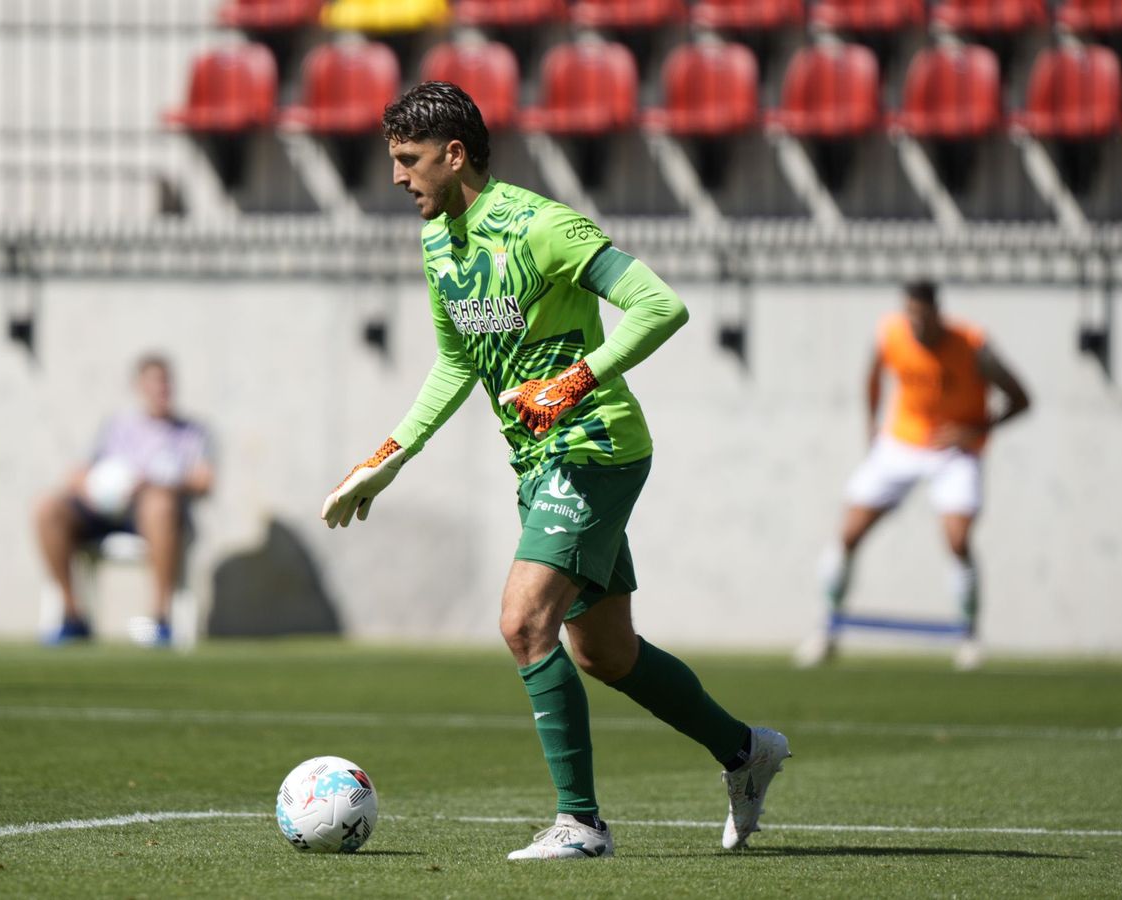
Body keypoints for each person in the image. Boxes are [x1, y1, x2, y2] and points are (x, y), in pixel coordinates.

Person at [321, 82, 790, 860]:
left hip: (594, 447)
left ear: (454, 154)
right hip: (539, 462)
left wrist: (574, 381)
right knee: (605, 653)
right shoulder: (438, 243)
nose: (397, 177)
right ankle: (746, 751)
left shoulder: (543, 226)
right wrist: (388, 457)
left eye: (408, 159)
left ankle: (581, 824)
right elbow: (456, 363)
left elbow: (659, 306)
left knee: (523, 623)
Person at [798, 281, 1031, 671]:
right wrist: (872, 428)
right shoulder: (890, 334)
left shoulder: (972, 345)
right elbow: (873, 377)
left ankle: (969, 636)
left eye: (922, 316)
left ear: (937, 313)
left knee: (958, 541)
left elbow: (1021, 399)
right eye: (910, 315)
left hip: (955, 450)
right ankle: (827, 628)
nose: (915, 324)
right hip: (901, 444)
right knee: (848, 534)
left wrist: (974, 431)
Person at [34, 354, 213, 648]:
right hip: (101, 512)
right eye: (154, 383)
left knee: (158, 505)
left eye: (165, 382)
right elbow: (77, 473)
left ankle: (160, 619)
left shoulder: (192, 432)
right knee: (46, 508)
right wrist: (95, 487)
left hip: (155, 517)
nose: (161, 389)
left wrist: (151, 483)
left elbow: (205, 480)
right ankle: (72, 615)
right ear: (139, 386)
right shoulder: (116, 426)